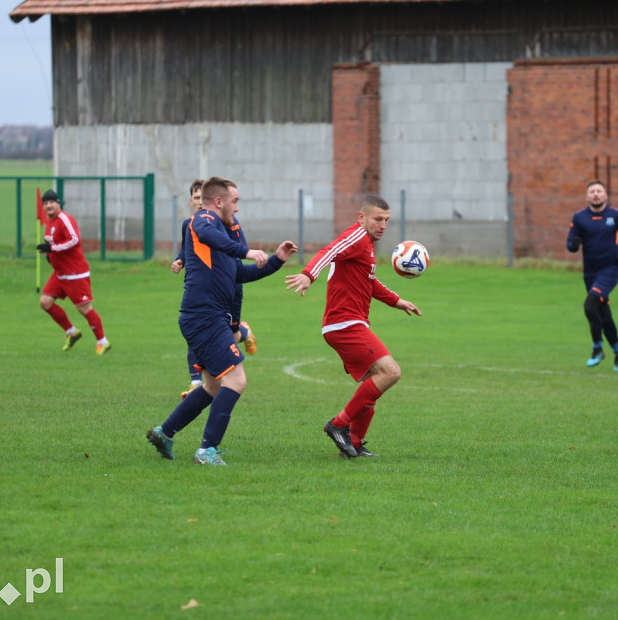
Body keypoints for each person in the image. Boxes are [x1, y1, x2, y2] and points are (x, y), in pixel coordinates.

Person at [147, 177, 297, 466]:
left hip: (206, 318)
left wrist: (276, 260)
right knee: (237, 380)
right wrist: (245, 250)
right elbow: (204, 232)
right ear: (219, 201)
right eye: (235, 201)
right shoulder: (203, 220)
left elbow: (241, 274)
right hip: (204, 317)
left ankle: (164, 432)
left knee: (214, 386)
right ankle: (207, 451)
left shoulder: (226, 234)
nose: (237, 208)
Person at [285, 195, 421, 459]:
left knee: (376, 379)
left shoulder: (366, 244)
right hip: (343, 323)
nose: (383, 225)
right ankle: (338, 424)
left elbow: (369, 282)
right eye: (377, 219)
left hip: (347, 323)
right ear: (362, 217)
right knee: (391, 372)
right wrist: (308, 274)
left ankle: (354, 444)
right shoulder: (357, 237)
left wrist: (397, 301)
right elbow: (329, 251)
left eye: (387, 220)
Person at [171, 178, 258, 399]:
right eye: (197, 198)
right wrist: (180, 261)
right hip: (201, 296)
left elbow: (239, 262)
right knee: (201, 335)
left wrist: (250, 255)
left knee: (228, 334)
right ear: (192, 200)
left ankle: (242, 330)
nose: (201, 203)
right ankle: (195, 382)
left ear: (215, 201)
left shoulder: (230, 224)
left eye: (203, 198)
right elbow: (188, 248)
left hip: (225, 291)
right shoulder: (193, 223)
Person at [565, 179, 618, 371]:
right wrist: (574, 245)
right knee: (603, 315)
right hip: (589, 272)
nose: (596, 194)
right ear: (587, 196)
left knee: (589, 306)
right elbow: (570, 244)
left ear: (606, 195)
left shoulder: (616, 215)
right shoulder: (579, 217)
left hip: (610, 270)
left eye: (599, 191)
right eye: (592, 192)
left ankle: (597, 348)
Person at [36, 189, 111, 355]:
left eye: (51, 202)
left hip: (75, 273)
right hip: (60, 273)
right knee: (45, 302)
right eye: (45, 203)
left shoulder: (64, 219)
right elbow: (55, 244)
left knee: (84, 308)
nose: (49, 206)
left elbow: (75, 240)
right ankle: (71, 332)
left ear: (58, 203)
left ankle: (102, 342)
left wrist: (52, 248)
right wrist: (50, 254)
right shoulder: (49, 222)